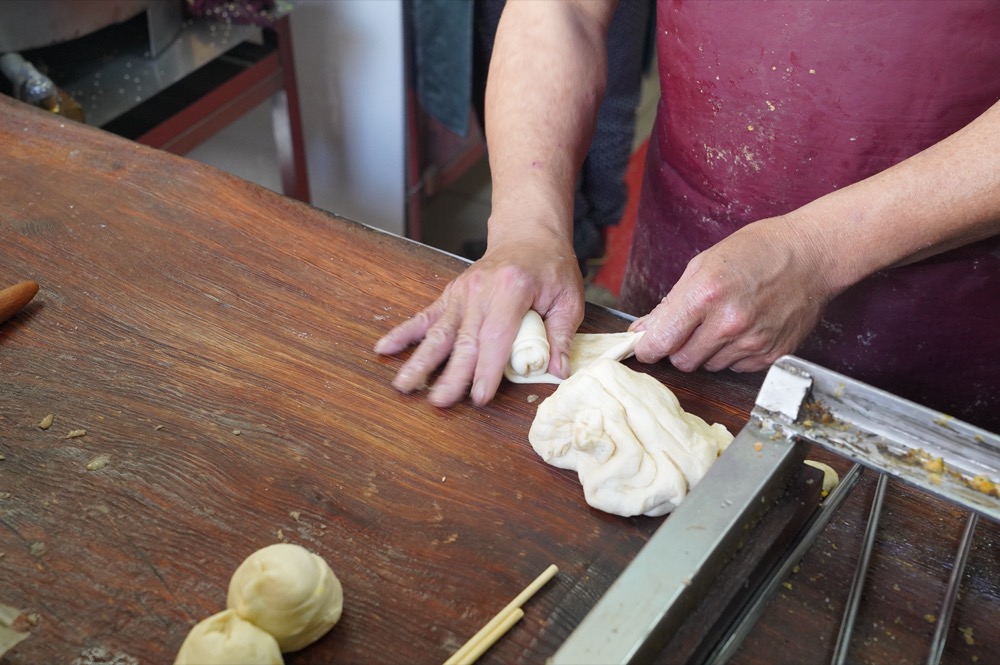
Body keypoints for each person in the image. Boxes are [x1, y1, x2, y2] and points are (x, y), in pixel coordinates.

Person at [376, 0, 1000, 432]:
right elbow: (560, 11)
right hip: (688, 263)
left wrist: (819, 250)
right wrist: (525, 227)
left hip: (949, 313)